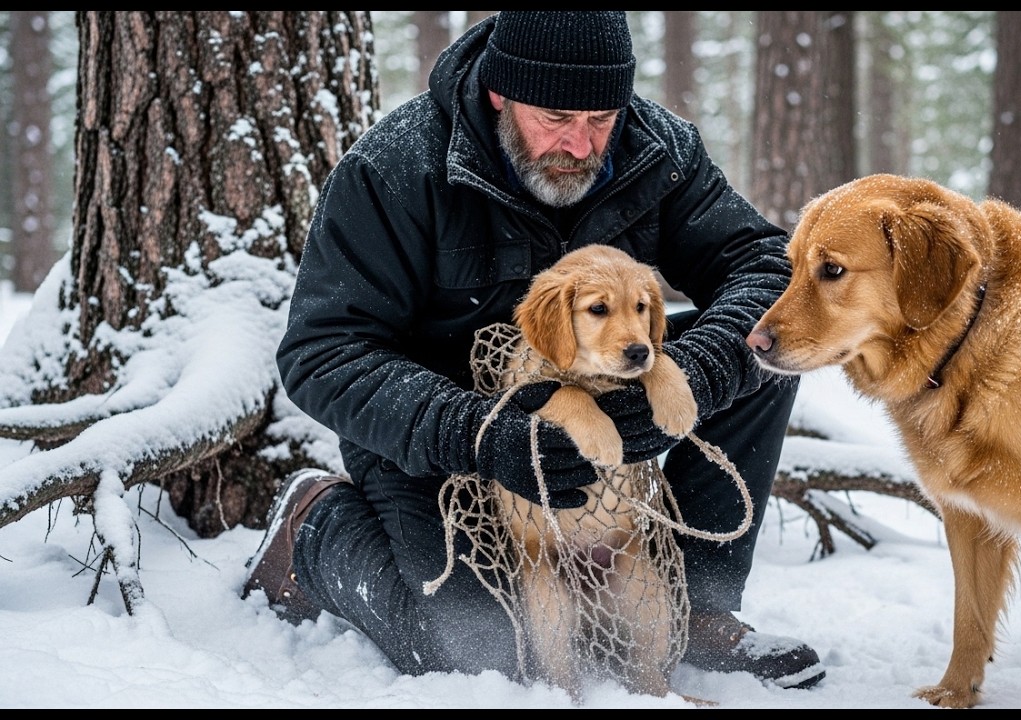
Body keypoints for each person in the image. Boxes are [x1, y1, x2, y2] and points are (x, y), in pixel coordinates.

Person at [245, 10, 825, 693]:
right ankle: (315, 529)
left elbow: (763, 269)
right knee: (480, 650)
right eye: (555, 117)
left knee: (761, 355)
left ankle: (693, 602)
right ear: (499, 92)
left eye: (602, 119)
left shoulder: (656, 147)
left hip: (599, 418)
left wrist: (693, 373)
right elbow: (323, 354)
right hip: (443, 444)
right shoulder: (396, 166)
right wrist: (479, 433)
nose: (581, 146)